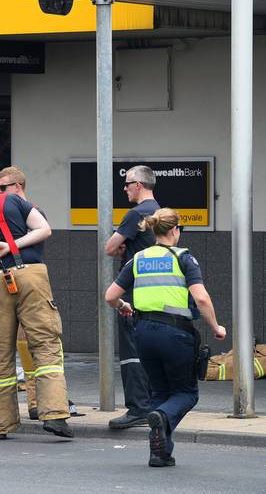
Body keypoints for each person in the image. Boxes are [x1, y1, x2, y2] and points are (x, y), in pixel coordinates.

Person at [0, 162, 72, 440]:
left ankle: (0, 424)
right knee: (45, 344)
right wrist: (14, 245)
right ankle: (55, 415)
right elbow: (44, 230)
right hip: (32, 276)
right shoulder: (14, 202)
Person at [105, 208, 226, 467]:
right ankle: (161, 416)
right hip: (175, 334)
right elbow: (202, 298)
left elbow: (110, 296)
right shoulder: (184, 258)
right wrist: (216, 327)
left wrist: (123, 307)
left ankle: (159, 454)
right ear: (174, 230)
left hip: (143, 333)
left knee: (159, 391)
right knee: (186, 393)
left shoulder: (137, 259)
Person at [104, 165, 160, 429]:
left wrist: (121, 247)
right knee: (151, 348)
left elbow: (110, 247)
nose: (124, 188)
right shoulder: (160, 212)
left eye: (127, 184)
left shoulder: (135, 214)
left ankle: (138, 407)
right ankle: (154, 403)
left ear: (138, 185)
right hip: (157, 290)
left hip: (134, 290)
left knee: (132, 350)